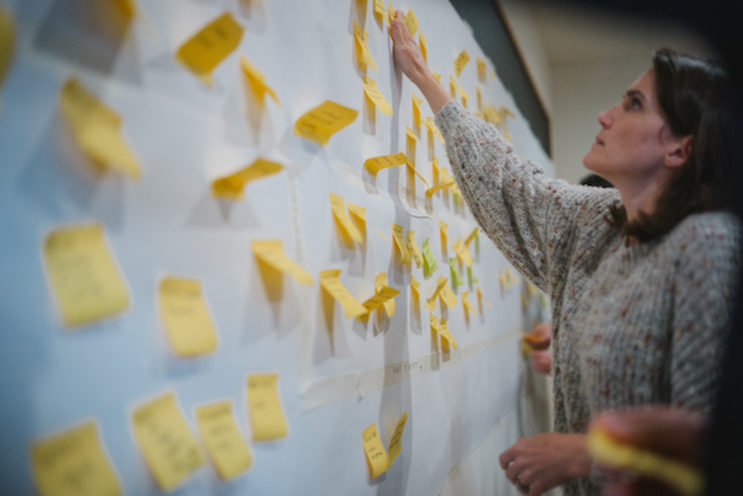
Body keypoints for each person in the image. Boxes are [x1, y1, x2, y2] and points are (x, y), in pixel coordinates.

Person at [390, 10, 740, 496]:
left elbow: (714, 441)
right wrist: (428, 85)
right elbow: (513, 186)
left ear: (680, 149)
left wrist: (585, 453)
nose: (606, 115)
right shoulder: (600, 222)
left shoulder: (708, 244)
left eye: (634, 104)